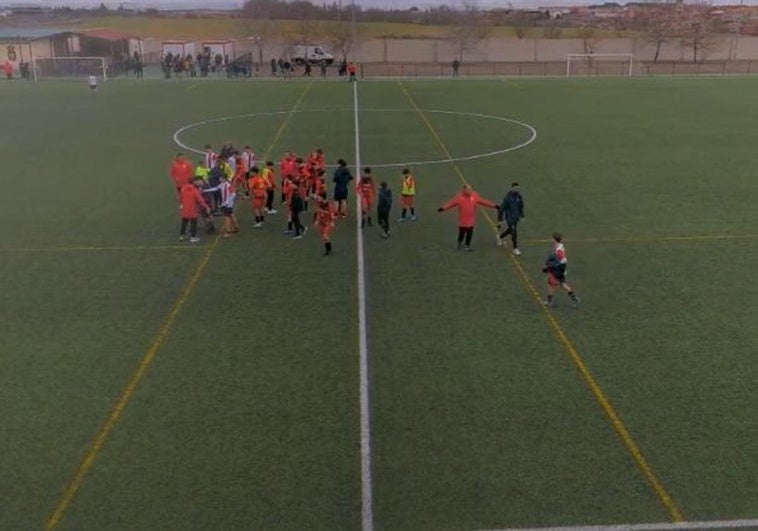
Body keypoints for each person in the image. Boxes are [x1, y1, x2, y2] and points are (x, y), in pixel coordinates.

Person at [437, 184, 498, 251]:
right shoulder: (459, 198)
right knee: (462, 233)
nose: (470, 191)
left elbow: (484, 202)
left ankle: (467, 245)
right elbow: (451, 203)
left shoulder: (474, 196)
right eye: (468, 190)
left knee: (469, 233)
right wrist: (443, 208)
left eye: (470, 189)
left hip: (471, 219)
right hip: (463, 220)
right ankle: (459, 242)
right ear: (464, 190)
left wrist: (494, 206)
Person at [542, 232, 581, 307]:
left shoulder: (558, 249)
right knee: (563, 284)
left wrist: (553, 266)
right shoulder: (560, 245)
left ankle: (549, 301)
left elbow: (562, 259)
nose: (551, 240)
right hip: (561, 269)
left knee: (551, 284)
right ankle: (575, 298)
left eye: (552, 239)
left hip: (558, 269)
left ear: (554, 239)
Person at [496, 181, 525, 255]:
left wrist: (522, 215)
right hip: (509, 218)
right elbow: (501, 209)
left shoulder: (519, 196)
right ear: (512, 188)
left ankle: (499, 237)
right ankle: (515, 248)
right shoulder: (508, 198)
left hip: (516, 218)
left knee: (510, 230)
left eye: (518, 188)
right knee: (514, 232)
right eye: (515, 188)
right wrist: (500, 219)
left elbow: (521, 206)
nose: (517, 190)